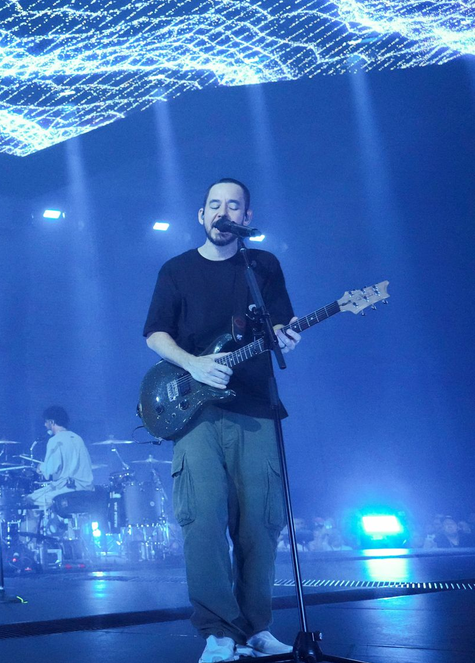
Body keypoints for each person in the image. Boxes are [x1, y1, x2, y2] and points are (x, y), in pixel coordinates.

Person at [143, 178, 302, 662]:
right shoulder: (176, 270)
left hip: (255, 407)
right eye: (214, 204)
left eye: (233, 206)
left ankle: (257, 628)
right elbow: (155, 333)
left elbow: (280, 321)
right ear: (201, 215)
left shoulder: (262, 265)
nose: (222, 212)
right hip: (197, 412)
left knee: (261, 521)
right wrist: (193, 364)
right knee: (203, 519)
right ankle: (217, 631)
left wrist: (286, 334)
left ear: (246, 218)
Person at [26, 406, 94, 510]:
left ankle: (49, 520)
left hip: (69, 490)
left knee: (30, 499)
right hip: (86, 488)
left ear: (52, 422)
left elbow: (50, 470)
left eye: (46, 422)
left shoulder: (55, 441)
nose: (45, 425)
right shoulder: (77, 438)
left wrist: (41, 467)